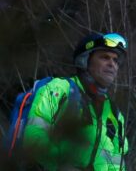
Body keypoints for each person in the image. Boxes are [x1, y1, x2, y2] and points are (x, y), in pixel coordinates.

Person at [19, 32, 129, 170]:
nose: (112, 64)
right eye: (105, 57)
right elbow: (34, 140)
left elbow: (117, 163)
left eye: (115, 60)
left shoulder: (114, 113)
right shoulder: (59, 89)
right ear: (85, 61)